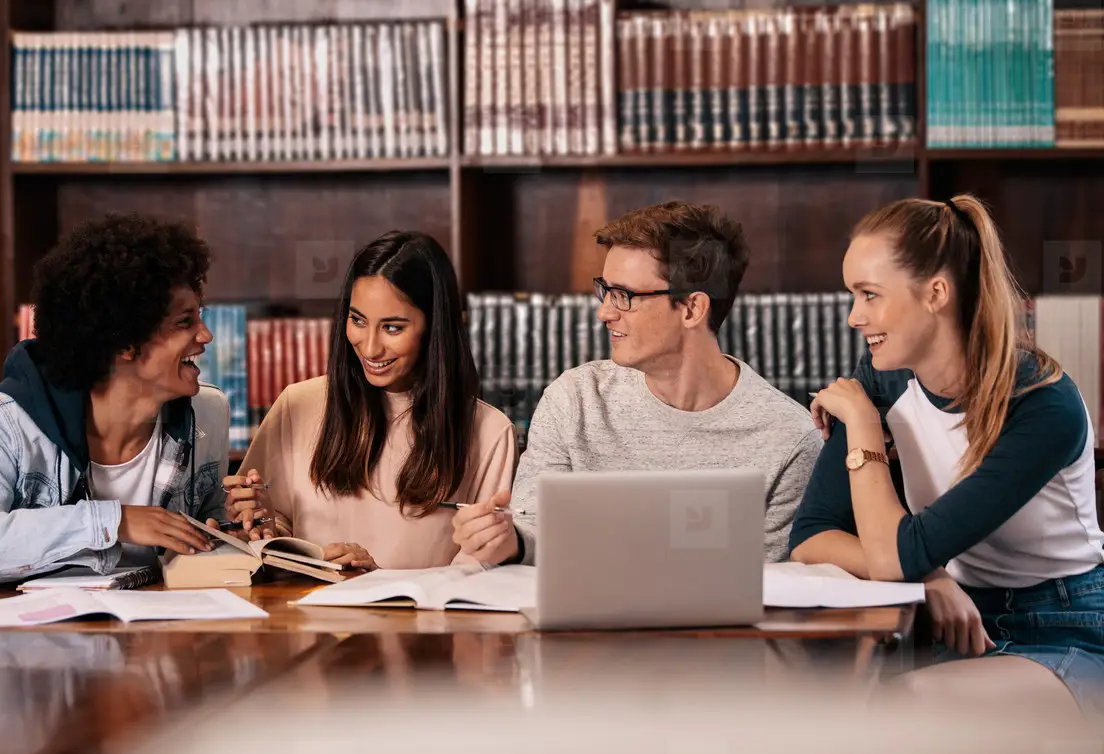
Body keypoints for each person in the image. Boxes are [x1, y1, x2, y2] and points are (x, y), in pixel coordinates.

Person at [789, 193, 1104, 720]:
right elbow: (812, 537)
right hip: (953, 618)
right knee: (829, 699)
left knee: (898, 708)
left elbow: (892, 557)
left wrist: (864, 424)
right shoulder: (883, 380)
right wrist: (930, 576)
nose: (853, 317)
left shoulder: (1043, 405)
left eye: (869, 295)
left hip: (1068, 628)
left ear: (936, 293)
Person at [451, 200, 823, 566]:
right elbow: (532, 530)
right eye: (605, 290)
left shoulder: (790, 437)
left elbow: (770, 584)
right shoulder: (574, 400)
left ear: (692, 308)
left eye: (624, 296)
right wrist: (506, 539)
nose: (604, 312)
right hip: (581, 622)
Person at [0, 214, 228, 589]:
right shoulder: (11, 423)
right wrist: (111, 522)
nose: (206, 335)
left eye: (201, 316)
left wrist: (240, 525)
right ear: (122, 342)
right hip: (33, 641)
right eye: (185, 322)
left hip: (162, 636)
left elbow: (207, 528)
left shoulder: (208, 414)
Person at [223, 230, 518, 570]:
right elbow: (270, 536)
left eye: (392, 328)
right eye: (358, 320)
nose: (370, 347)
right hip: (303, 616)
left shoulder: (489, 432)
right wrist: (261, 521)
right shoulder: (297, 404)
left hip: (417, 621)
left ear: (434, 327)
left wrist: (376, 579)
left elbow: (478, 573)